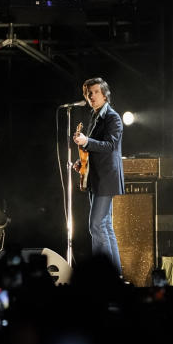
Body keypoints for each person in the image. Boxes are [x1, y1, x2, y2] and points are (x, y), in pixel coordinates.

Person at [72, 77, 125, 273]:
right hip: (97, 177)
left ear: (104, 94)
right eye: (87, 93)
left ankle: (103, 275)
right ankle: (115, 274)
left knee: (96, 225)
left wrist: (86, 141)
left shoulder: (113, 117)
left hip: (106, 179)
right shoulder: (95, 116)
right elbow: (96, 147)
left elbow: (110, 145)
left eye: (94, 92)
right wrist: (82, 162)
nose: (90, 96)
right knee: (105, 227)